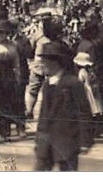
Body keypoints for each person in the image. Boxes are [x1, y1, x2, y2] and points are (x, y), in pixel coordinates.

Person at [34, 41, 94, 171]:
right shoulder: (47, 84)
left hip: (67, 142)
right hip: (46, 143)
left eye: (45, 60)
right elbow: (43, 114)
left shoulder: (73, 83)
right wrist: (39, 138)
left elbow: (83, 112)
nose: (42, 64)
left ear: (55, 62)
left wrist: (85, 141)